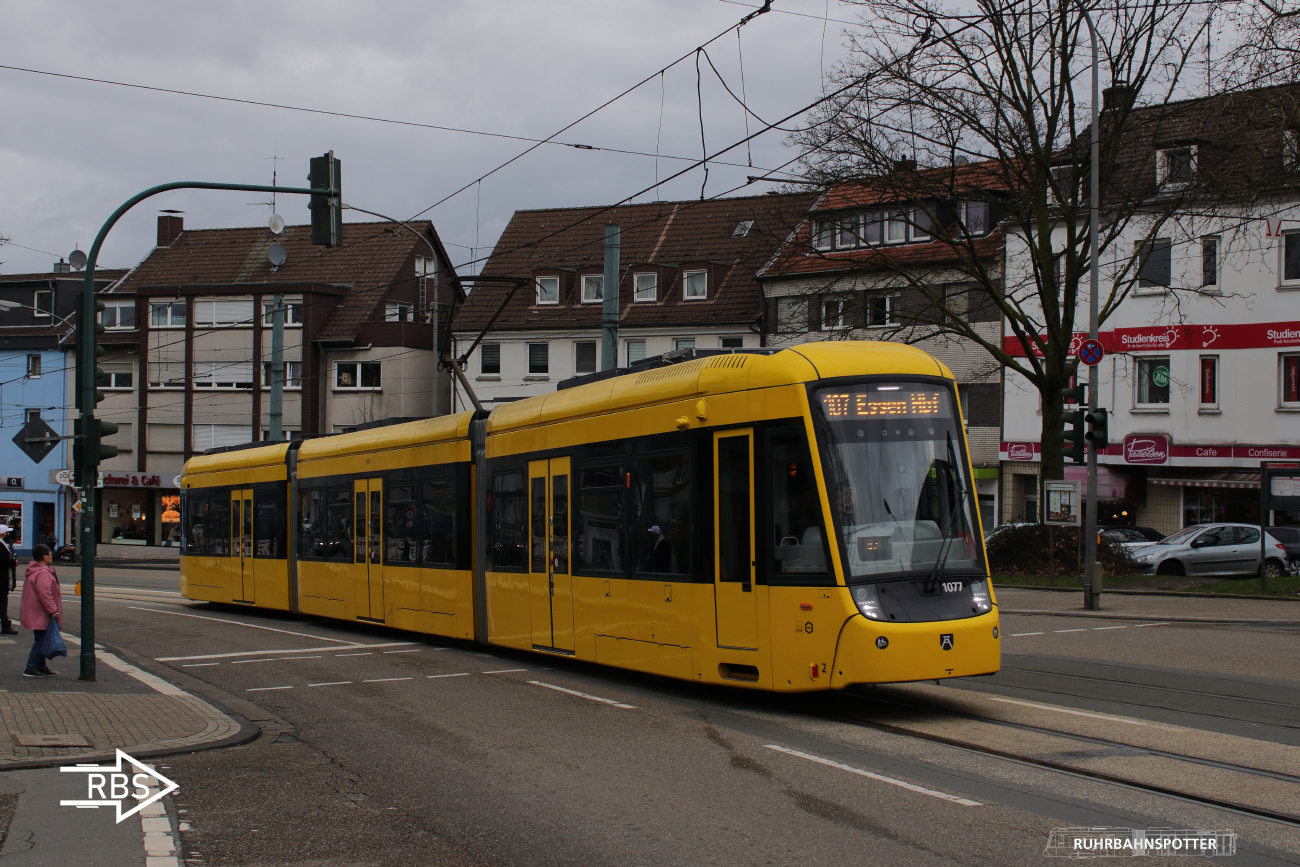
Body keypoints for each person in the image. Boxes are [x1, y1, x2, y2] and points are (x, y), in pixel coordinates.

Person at [19, 544, 62, 677]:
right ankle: (30, 667)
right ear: (44, 557)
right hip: (41, 612)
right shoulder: (43, 572)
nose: (51, 556)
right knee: (41, 639)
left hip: (35, 611)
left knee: (42, 638)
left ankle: (40, 666)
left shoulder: (35, 570)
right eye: (49, 554)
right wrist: (53, 610)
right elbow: (45, 593)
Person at [0, 526, 15, 635]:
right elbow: (3, 561)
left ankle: (5, 624)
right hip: (1, 579)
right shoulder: (0, 545)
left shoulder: (2, 543)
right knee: (2, 602)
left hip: (3, 578)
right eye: (6, 532)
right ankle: (5, 625)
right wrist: (13, 562)